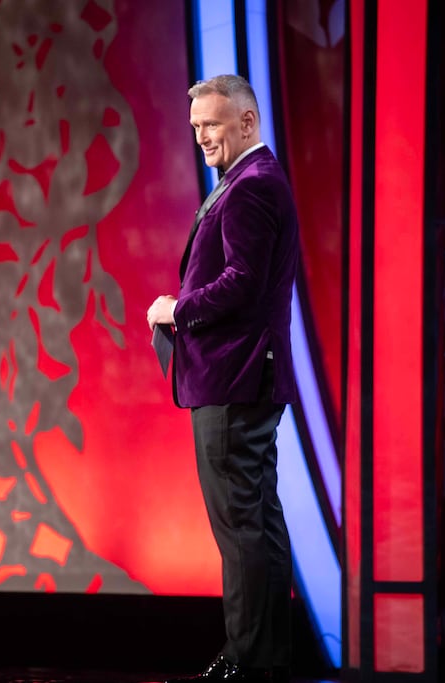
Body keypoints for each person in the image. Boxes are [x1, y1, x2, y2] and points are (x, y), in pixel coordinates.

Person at [146, 75, 300, 683]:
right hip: (244, 375)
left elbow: (243, 283)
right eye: (196, 128)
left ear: (247, 122)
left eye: (211, 124)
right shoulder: (248, 182)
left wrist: (176, 308)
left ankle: (246, 661)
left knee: (241, 525)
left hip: (237, 376)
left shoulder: (251, 187)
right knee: (256, 519)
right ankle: (266, 658)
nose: (202, 136)